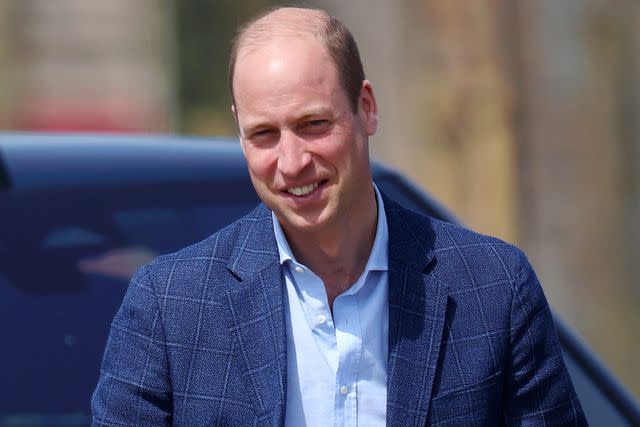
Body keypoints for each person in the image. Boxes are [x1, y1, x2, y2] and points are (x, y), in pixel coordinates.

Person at [92, 6, 586, 426]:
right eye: (264, 134)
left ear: (365, 109)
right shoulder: (171, 305)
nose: (291, 162)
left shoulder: (493, 288)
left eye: (313, 125)